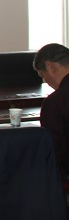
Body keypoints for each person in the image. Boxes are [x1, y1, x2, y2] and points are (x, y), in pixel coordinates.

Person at [33, 43, 69, 176]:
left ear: (50, 66)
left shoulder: (55, 102)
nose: (46, 82)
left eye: (43, 76)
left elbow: (55, 152)